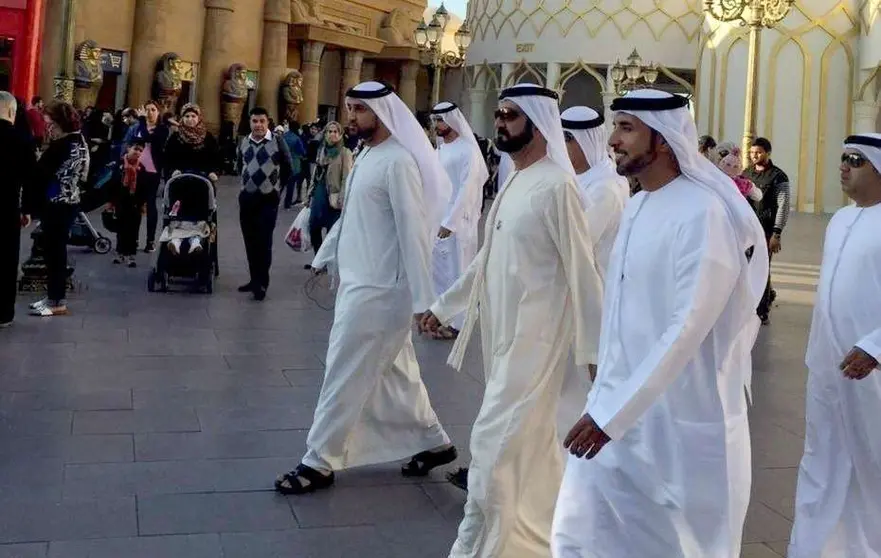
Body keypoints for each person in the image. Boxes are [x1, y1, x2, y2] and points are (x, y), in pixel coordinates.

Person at [551, 89, 769, 558]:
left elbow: (686, 326)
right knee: (578, 530)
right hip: (615, 405)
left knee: (673, 541)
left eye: (627, 128)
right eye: (616, 127)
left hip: (675, 417)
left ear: (665, 139)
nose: (613, 140)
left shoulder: (703, 212)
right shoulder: (641, 205)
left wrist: (614, 414)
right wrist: (605, 373)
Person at [419, 84, 605, 558]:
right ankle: (523, 539)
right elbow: (485, 260)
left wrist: (594, 353)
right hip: (503, 339)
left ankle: (480, 545)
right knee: (524, 446)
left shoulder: (558, 186)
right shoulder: (519, 180)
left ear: (539, 124)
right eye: (499, 114)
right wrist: (442, 306)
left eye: (511, 116)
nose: (500, 123)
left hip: (536, 340)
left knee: (490, 445)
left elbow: (584, 273)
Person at [273, 81, 455, 495]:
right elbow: (352, 218)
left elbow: (413, 235)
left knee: (343, 369)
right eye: (349, 108)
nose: (350, 116)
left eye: (358, 110)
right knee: (397, 373)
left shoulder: (399, 163)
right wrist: (324, 257)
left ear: (382, 113)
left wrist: (425, 302)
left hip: (380, 293)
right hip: (359, 283)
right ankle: (434, 440)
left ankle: (318, 461)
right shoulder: (370, 156)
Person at [787, 133, 881, 558]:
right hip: (827, 365)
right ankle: (815, 548)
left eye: (856, 160)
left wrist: (875, 347)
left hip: (871, 370)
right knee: (821, 461)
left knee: (871, 467)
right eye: (843, 158)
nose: (844, 166)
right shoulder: (841, 219)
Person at [428, 101, 489, 340]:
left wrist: (451, 222)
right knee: (440, 272)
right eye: (434, 121)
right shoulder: (441, 149)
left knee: (458, 271)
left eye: (440, 121)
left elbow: (468, 188)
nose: (437, 126)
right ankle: (441, 317)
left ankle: (458, 323)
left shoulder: (468, 150)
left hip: (458, 223)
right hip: (438, 220)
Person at [29, 100, 90, 317]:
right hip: (69, 202)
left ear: (60, 123)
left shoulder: (62, 146)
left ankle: (57, 301)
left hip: (58, 204)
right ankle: (53, 297)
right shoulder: (79, 141)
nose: (48, 129)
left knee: (55, 254)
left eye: (50, 124)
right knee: (54, 252)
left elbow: (40, 173)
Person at [561, 105, 630, 279]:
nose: (561, 144)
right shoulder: (574, 176)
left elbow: (577, 244)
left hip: (595, 285)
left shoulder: (605, 187)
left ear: (587, 141)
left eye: (568, 138)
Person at [236, 106, 294, 301]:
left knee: (264, 241)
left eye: (262, 121)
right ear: (250, 122)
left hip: (268, 199)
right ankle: (253, 279)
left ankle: (262, 283)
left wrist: (277, 189)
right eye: (255, 121)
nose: (258, 125)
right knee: (250, 241)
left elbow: (288, 167)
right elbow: (239, 165)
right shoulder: (244, 141)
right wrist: (245, 185)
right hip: (247, 198)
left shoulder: (277, 141)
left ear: (267, 122)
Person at [743, 137, 790, 324]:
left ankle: (762, 311)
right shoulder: (746, 174)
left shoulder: (778, 176)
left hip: (767, 232)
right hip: (748, 231)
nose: (754, 155)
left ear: (768, 153)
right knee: (746, 268)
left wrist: (776, 234)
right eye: (752, 152)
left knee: (762, 268)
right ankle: (753, 302)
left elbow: (783, 205)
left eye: (759, 152)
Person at [0, 91, 37, 327]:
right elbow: (31, 179)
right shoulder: (22, 140)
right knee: (5, 260)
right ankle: (3, 313)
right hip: (6, 208)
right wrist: (27, 209)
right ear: (12, 112)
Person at [127, 100, 169, 253]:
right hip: (137, 171)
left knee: (151, 205)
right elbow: (134, 142)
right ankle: (134, 239)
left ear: (158, 112)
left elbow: (149, 139)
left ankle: (150, 240)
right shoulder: (139, 127)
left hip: (152, 172)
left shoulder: (162, 129)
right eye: (147, 110)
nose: (150, 113)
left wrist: (142, 121)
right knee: (136, 206)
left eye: (153, 110)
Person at [306, 121, 352, 256]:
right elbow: (316, 173)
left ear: (340, 134)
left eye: (335, 131)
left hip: (334, 195)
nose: (332, 134)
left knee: (331, 230)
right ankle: (318, 257)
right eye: (329, 131)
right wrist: (309, 193)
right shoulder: (322, 150)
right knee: (313, 225)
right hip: (319, 192)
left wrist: (343, 197)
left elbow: (346, 177)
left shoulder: (345, 152)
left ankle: (327, 259)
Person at [111, 141, 147, 267]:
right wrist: (112, 202)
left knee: (133, 229)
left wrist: (142, 203)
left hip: (135, 202)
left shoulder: (142, 168)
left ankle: (131, 255)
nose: (138, 152)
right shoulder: (119, 165)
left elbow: (144, 187)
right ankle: (120, 253)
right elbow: (113, 183)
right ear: (128, 148)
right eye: (136, 149)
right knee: (121, 228)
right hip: (121, 201)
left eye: (141, 150)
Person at [280, 123, 307, 210]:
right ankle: (287, 204)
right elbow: (302, 151)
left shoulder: (283, 136)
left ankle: (274, 201)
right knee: (290, 185)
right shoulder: (297, 138)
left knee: (281, 184)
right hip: (294, 164)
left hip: (283, 163)